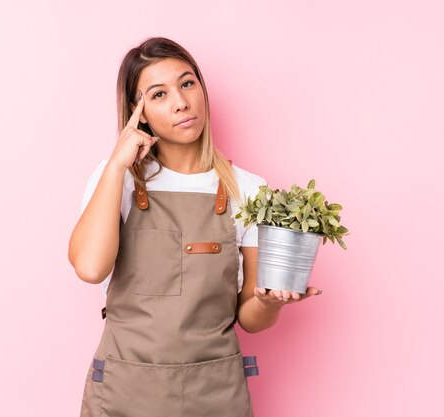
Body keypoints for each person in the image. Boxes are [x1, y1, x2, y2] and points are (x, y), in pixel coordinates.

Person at [68, 37, 322, 417]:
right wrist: (117, 165)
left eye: (187, 83)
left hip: (216, 395)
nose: (181, 102)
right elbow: (89, 269)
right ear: (137, 112)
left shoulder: (249, 189)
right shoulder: (115, 181)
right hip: (125, 394)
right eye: (158, 94)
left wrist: (268, 303)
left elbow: (250, 319)